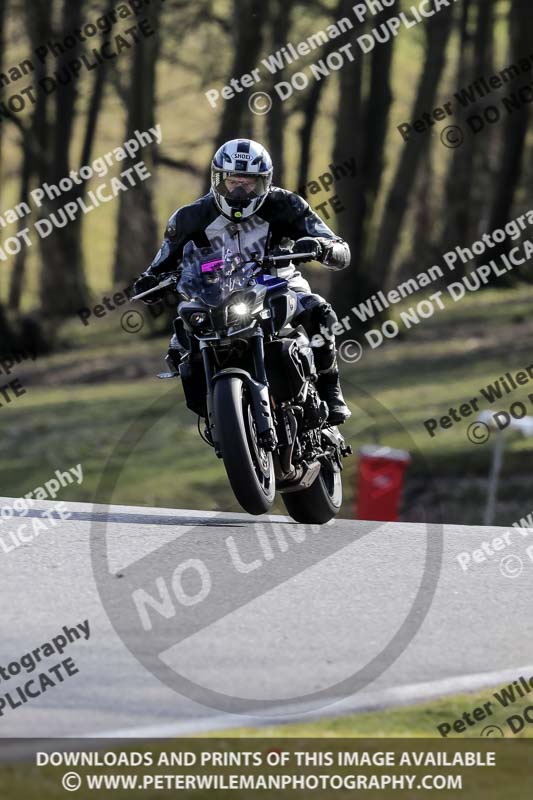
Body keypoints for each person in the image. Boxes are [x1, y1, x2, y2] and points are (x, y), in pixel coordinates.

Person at [134, 138, 351, 424]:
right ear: (217, 179)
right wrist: (149, 284)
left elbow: (337, 245)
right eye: (231, 181)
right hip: (213, 296)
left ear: (265, 182)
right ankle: (218, 413)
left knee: (320, 312)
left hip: (277, 285)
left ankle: (330, 387)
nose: (238, 189)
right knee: (179, 347)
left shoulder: (287, 205)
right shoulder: (190, 217)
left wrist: (325, 248)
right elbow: (160, 264)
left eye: (248, 182)